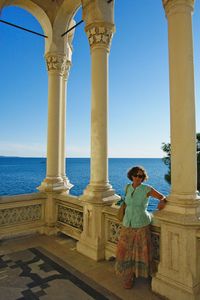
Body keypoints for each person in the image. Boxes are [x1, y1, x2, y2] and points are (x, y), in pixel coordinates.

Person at [115, 166, 166, 289]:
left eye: (141, 176)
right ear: (131, 176)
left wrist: (161, 203)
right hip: (127, 223)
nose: (138, 178)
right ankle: (128, 275)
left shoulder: (147, 189)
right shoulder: (127, 187)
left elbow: (162, 197)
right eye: (136, 175)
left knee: (139, 252)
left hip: (141, 224)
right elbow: (126, 203)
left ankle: (138, 274)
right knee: (125, 251)